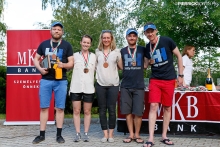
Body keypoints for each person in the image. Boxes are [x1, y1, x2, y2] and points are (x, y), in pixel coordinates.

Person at [143, 22, 183, 147]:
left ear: (156, 31)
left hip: (169, 79)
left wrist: (180, 75)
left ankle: (164, 136)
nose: (150, 34)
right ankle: (151, 138)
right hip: (155, 79)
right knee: (153, 106)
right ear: (145, 34)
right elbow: (145, 66)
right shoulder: (147, 47)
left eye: (152, 31)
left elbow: (179, 56)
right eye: (147, 32)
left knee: (167, 107)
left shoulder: (167, 41)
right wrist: (147, 62)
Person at [32, 22, 74, 144]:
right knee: (44, 107)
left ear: (62, 32)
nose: (57, 31)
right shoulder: (44, 44)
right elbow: (35, 59)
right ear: (50, 31)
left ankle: (59, 135)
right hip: (46, 80)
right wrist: (40, 69)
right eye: (54, 29)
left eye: (59, 29)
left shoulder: (67, 45)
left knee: (60, 108)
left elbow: (71, 63)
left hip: (61, 81)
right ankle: (41, 135)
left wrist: (63, 65)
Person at [95, 30, 123, 143]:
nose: (106, 40)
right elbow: (94, 67)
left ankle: (111, 134)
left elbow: (121, 67)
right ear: (101, 39)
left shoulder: (117, 52)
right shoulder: (97, 52)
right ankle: (104, 134)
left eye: (108, 38)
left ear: (111, 39)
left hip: (113, 85)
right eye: (104, 38)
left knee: (112, 110)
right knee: (102, 110)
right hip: (100, 84)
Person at [120, 28, 147, 144]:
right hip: (125, 85)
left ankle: (137, 134)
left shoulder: (142, 49)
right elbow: (120, 66)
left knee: (138, 112)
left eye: (134, 36)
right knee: (128, 112)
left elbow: (146, 65)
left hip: (139, 85)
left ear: (137, 37)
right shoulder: (122, 51)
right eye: (129, 36)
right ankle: (131, 134)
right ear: (126, 37)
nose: (132, 38)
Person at [69, 35, 96, 142]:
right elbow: (67, 66)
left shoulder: (94, 56)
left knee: (87, 111)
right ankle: (77, 133)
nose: (86, 44)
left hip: (89, 87)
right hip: (76, 87)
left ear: (90, 44)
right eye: (84, 42)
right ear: (81, 42)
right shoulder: (74, 56)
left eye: (88, 43)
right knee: (76, 111)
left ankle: (85, 133)